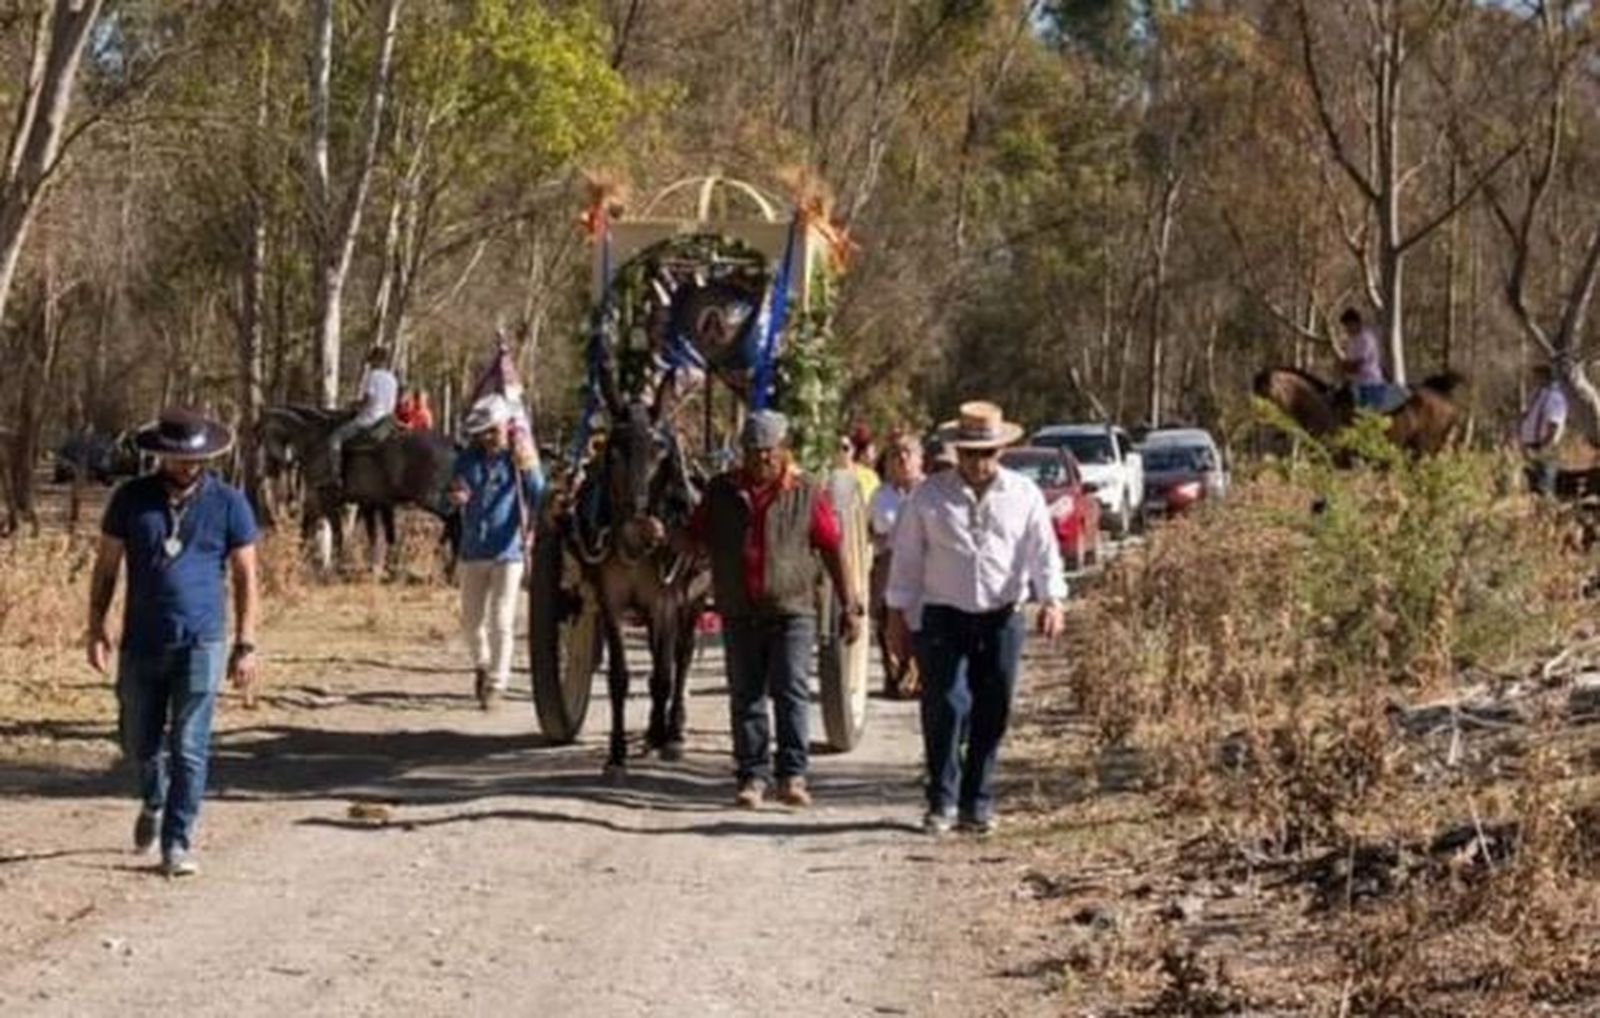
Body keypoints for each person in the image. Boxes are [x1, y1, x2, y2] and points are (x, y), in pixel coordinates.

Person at [86, 408, 261, 877]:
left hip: (202, 640)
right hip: (141, 641)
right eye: (177, 457)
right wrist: (96, 625)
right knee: (138, 740)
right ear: (160, 455)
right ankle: (153, 799)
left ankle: (177, 842)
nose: (187, 465)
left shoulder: (229, 503)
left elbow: (246, 576)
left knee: (189, 745)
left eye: (195, 457)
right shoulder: (130, 499)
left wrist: (246, 643)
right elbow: (106, 567)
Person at [886, 401, 1066, 836]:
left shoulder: (1023, 495)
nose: (977, 463)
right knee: (945, 705)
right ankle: (941, 800)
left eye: (985, 454)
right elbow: (907, 560)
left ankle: (976, 801)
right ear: (957, 452)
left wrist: (1052, 600)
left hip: (1002, 614)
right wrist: (896, 616)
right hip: (944, 614)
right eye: (969, 453)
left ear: (1001, 452)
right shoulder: (928, 496)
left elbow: (1043, 553)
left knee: (994, 708)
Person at [680, 410, 863, 809]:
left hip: (792, 610)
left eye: (768, 451)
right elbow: (694, 538)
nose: (761, 459)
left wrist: (849, 604)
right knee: (746, 695)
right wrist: (672, 544)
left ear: (783, 450)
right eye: (753, 452)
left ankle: (792, 775)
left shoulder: (806, 492)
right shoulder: (721, 493)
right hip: (740, 609)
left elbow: (832, 548)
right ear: (741, 454)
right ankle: (752, 776)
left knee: (792, 691)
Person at [449, 394, 545, 709]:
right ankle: (482, 663)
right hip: (473, 549)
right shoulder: (469, 457)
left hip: (508, 551)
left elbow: (538, 494)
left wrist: (527, 464)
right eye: (483, 432)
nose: (489, 437)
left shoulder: (519, 457)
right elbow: (456, 485)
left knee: (502, 620)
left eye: (493, 430)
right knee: (471, 621)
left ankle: (497, 683)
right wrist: (458, 493)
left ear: (505, 426)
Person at [869, 428, 923, 699]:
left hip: (923, 566)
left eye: (907, 453)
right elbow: (873, 530)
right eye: (895, 455)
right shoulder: (880, 496)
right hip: (888, 563)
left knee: (920, 621)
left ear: (919, 460)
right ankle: (894, 674)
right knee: (886, 618)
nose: (902, 459)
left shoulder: (930, 492)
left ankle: (917, 674)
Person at [326, 346, 400, 481]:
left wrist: (353, 405)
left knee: (335, 438)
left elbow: (368, 400)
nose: (370, 364)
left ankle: (335, 475)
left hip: (370, 420)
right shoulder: (392, 379)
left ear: (377, 361)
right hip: (387, 420)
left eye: (372, 361)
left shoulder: (373, 376)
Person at [1520, 363, 1568, 496]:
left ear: (1545, 376)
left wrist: (1545, 446)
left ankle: (1546, 508)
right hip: (1531, 444)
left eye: (1537, 376)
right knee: (1532, 482)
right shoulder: (1537, 394)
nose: (1534, 379)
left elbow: (1554, 424)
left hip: (1544, 445)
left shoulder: (1555, 397)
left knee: (1544, 484)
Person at [1339, 308, 1388, 411]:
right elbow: (1348, 362)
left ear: (1356, 323)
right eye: (1346, 327)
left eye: (1349, 326)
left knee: (1368, 416)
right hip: (1356, 384)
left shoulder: (1366, 338)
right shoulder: (1351, 340)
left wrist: (1346, 366)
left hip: (1370, 384)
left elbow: (1358, 365)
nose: (1347, 329)